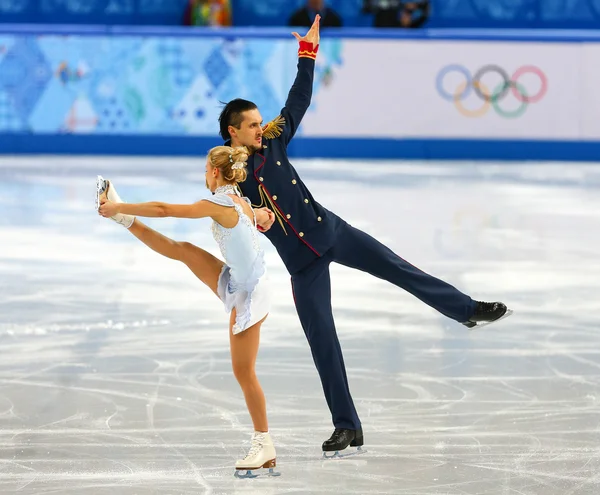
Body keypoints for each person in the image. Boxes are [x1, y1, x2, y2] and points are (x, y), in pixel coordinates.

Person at [218, 14, 512, 455]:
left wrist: (307, 54)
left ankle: (467, 309)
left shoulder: (276, 141)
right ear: (233, 132)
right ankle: (347, 426)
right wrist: (249, 214)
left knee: (400, 269)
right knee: (324, 344)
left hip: (331, 232)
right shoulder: (232, 178)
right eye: (253, 125)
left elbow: (298, 99)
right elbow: (229, 212)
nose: (262, 128)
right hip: (302, 265)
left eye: (262, 122)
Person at [97, 145, 279, 476]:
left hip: (251, 292)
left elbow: (165, 209)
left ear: (213, 172)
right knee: (183, 250)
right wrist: (262, 216)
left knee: (243, 372)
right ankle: (125, 221)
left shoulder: (221, 203)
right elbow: (257, 215)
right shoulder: (239, 200)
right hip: (241, 279)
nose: (203, 175)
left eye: (204, 170)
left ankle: (263, 442)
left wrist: (117, 203)